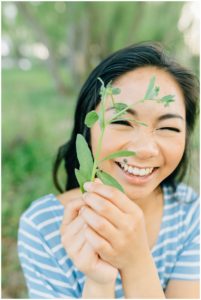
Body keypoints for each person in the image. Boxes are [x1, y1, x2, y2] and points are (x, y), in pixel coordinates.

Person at [18, 42, 200, 298]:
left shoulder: (190, 213)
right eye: (122, 120)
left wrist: (136, 261)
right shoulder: (43, 228)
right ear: (89, 125)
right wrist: (99, 280)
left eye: (168, 128)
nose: (145, 149)